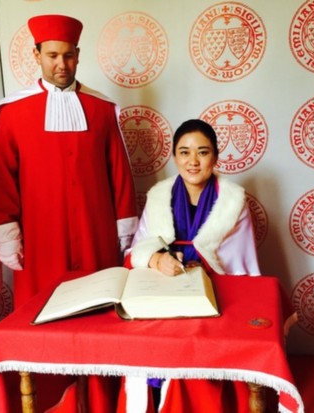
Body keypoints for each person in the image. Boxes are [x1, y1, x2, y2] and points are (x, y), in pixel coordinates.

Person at [0, 14, 138, 412]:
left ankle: (102, 402)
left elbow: (120, 174)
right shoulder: (13, 112)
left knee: (100, 324)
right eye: (52, 55)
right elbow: (2, 178)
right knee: (41, 325)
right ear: (36, 54)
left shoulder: (102, 109)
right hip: (41, 243)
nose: (61, 64)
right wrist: (7, 235)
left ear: (78, 55)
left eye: (68, 56)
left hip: (95, 238)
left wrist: (126, 232)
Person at [121, 118, 261, 412]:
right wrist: (157, 259)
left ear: (216, 157)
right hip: (162, 290)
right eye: (184, 152)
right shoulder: (159, 197)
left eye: (203, 152)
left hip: (215, 295)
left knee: (198, 340)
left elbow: (239, 264)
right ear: (174, 157)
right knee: (146, 336)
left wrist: (201, 270)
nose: (193, 161)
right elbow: (139, 250)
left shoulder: (233, 202)